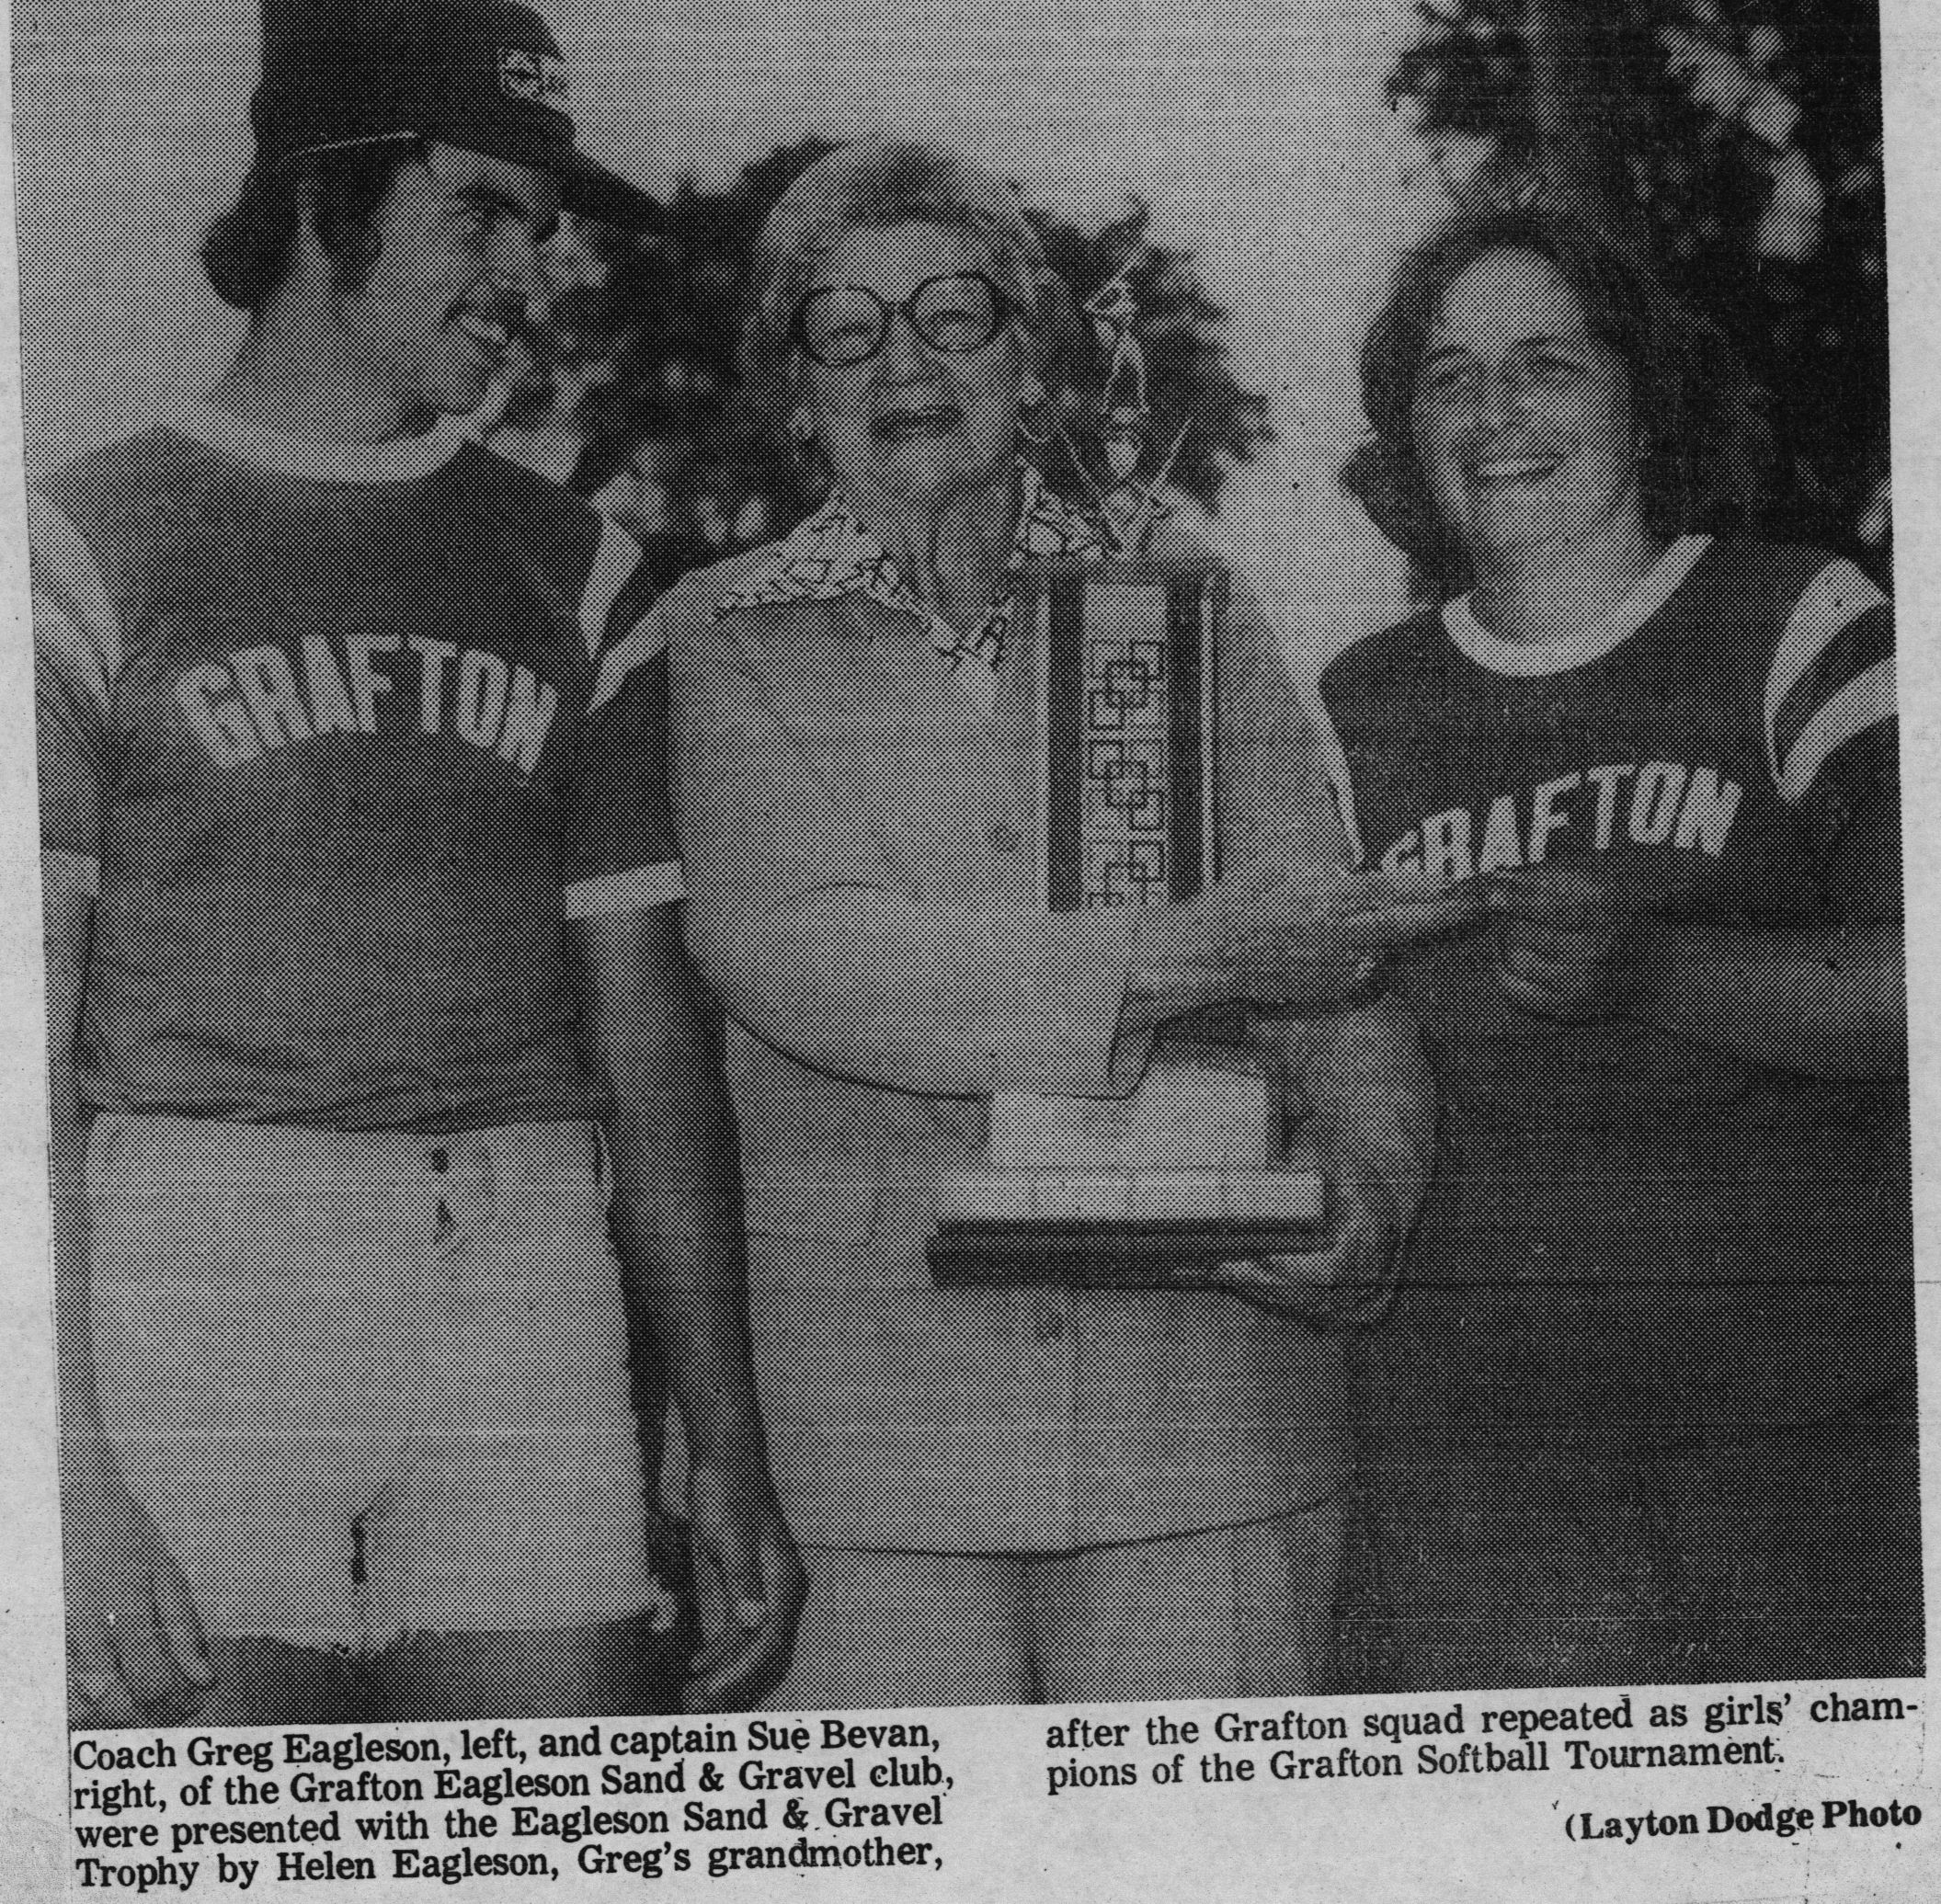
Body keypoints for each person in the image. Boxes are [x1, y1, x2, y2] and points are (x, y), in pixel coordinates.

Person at [38, 0, 800, 1727]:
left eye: (539, 225)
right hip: (203, 1257)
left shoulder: (576, 568)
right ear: (327, 200)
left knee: (544, 1833)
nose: (526, 273)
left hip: (523, 1258)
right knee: (212, 1826)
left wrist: (727, 1449)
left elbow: (648, 1038)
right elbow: (25, 1036)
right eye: (478, 211)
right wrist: (59, 1463)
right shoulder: (85, 547)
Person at [652, 141, 1477, 1709]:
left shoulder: (1183, 601)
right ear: (794, 382)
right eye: (848, 327)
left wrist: (1369, 1195)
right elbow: (804, 958)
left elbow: (1330, 954)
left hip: (1210, 1419)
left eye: (953, 315)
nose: (904, 361)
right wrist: (1206, 956)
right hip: (867, 1450)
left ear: (1027, 355)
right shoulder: (716, 636)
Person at [1318, 205, 1917, 1691]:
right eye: (1449, 378)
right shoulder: (1359, 700)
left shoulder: (1798, 620)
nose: (1497, 413)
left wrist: (1658, 969)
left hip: (1804, 1440)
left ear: (1647, 399)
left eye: (1549, 364)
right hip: (1483, 1476)